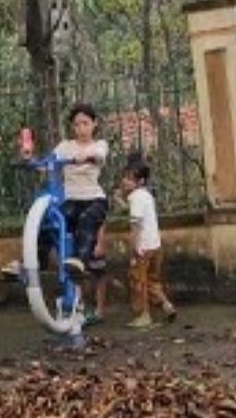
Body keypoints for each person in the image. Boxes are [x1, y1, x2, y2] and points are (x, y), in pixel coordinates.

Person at [56, 103, 111, 325]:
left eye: (85, 123)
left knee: (86, 222)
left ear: (94, 124)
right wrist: (32, 161)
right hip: (71, 200)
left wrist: (83, 157)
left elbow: (98, 155)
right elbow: (50, 161)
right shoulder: (64, 147)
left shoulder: (100, 144)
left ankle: (80, 262)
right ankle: (26, 264)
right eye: (77, 124)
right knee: (50, 221)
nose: (81, 128)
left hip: (93, 199)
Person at [119, 162, 176, 328]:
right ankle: (166, 306)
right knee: (151, 280)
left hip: (142, 248)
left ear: (140, 181)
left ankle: (143, 315)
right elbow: (132, 211)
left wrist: (134, 248)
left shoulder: (135, 198)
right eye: (125, 177)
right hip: (155, 245)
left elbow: (135, 225)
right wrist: (119, 199)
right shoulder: (145, 195)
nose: (125, 181)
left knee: (138, 282)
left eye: (129, 179)